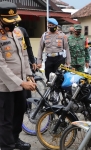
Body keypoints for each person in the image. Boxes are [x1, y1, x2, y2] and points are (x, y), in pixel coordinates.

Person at [0, 1, 36, 150]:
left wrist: (28, 75)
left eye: (14, 20)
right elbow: (1, 66)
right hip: (4, 86)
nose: (13, 24)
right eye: (9, 21)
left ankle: (15, 139)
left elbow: (24, 55)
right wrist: (21, 83)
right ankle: (7, 145)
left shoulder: (18, 32)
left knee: (19, 113)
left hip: (21, 83)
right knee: (5, 119)